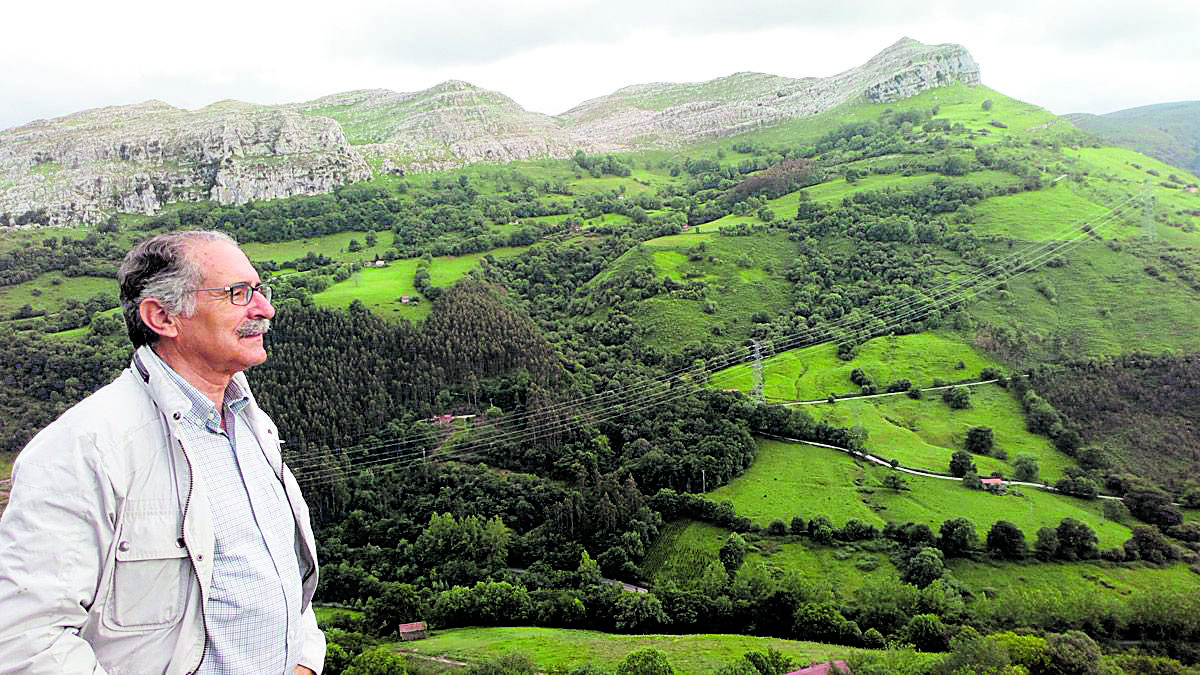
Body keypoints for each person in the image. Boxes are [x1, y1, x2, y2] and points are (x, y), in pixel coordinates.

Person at [0, 231, 325, 674]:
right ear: (163, 317)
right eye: (237, 294)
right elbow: (25, 642)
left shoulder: (252, 423)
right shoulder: (84, 449)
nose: (265, 309)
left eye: (260, 289)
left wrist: (304, 662)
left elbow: (280, 573)